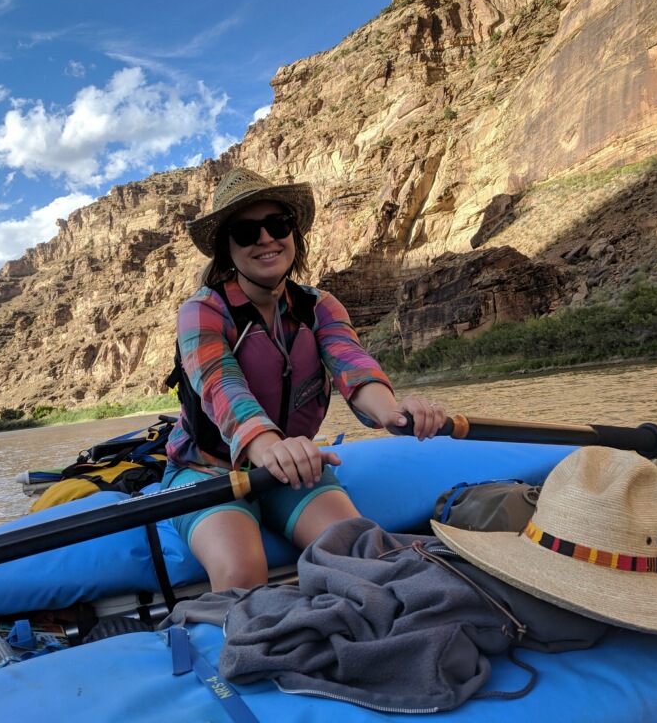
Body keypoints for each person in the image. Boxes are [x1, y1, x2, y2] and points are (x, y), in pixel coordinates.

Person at [164, 167, 448, 591]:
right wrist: (270, 447)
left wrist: (392, 411)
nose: (265, 239)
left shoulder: (319, 307)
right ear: (227, 249)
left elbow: (350, 361)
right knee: (242, 573)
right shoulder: (201, 311)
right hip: (209, 470)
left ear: (293, 235)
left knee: (362, 554)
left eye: (277, 225)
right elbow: (221, 387)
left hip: (289, 470)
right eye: (245, 232)